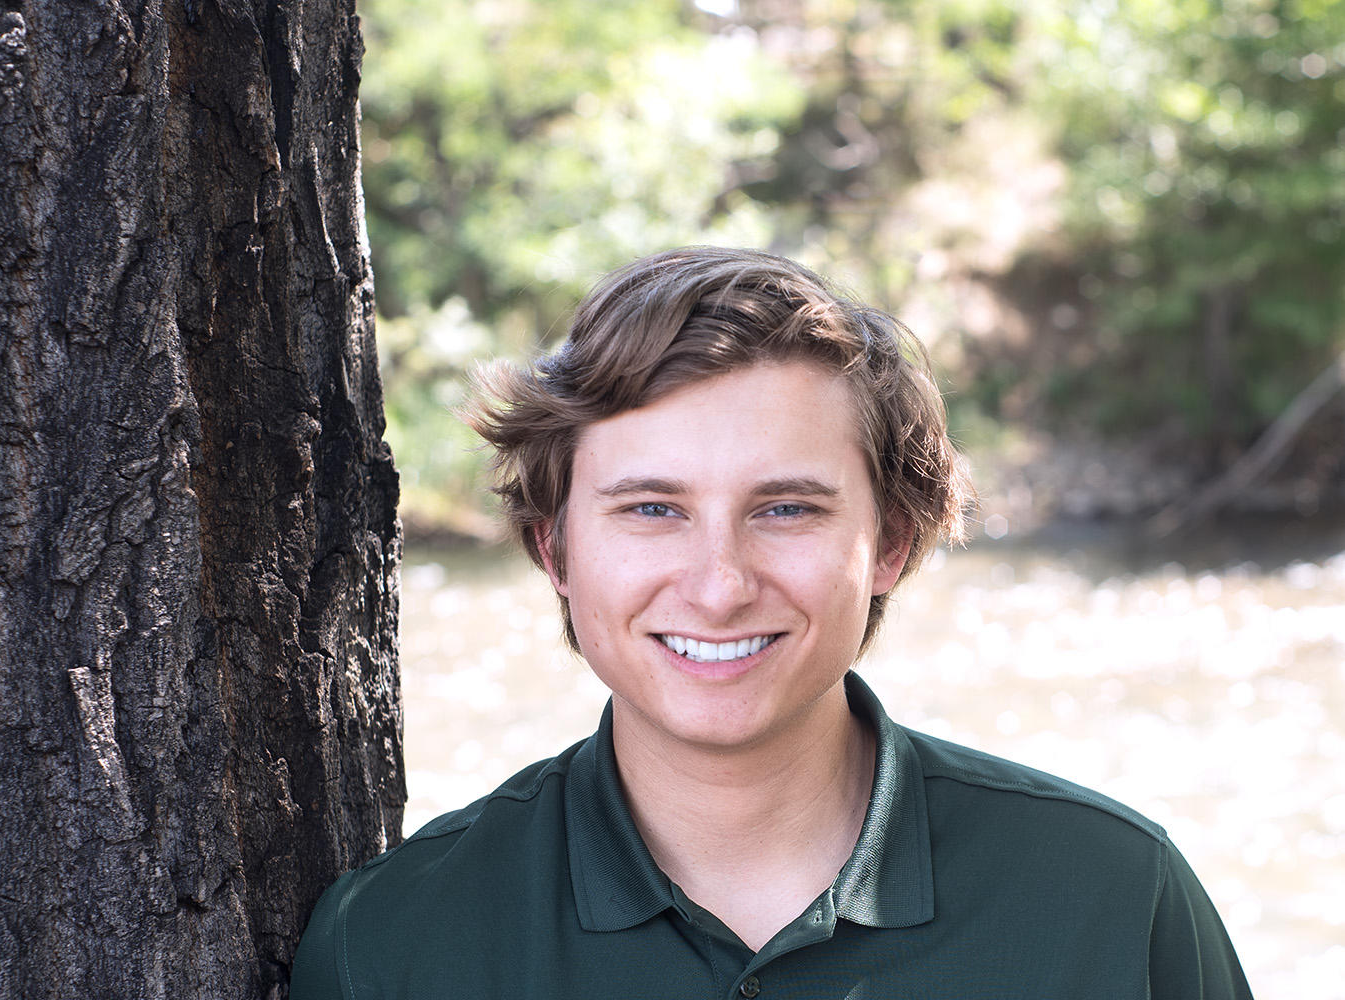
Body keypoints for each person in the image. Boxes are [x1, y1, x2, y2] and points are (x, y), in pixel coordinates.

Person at [291, 246, 1253, 998]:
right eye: (651, 510)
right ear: (556, 553)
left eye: (786, 509)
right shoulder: (392, 946)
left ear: (892, 545)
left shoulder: (1116, 899)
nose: (719, 586)